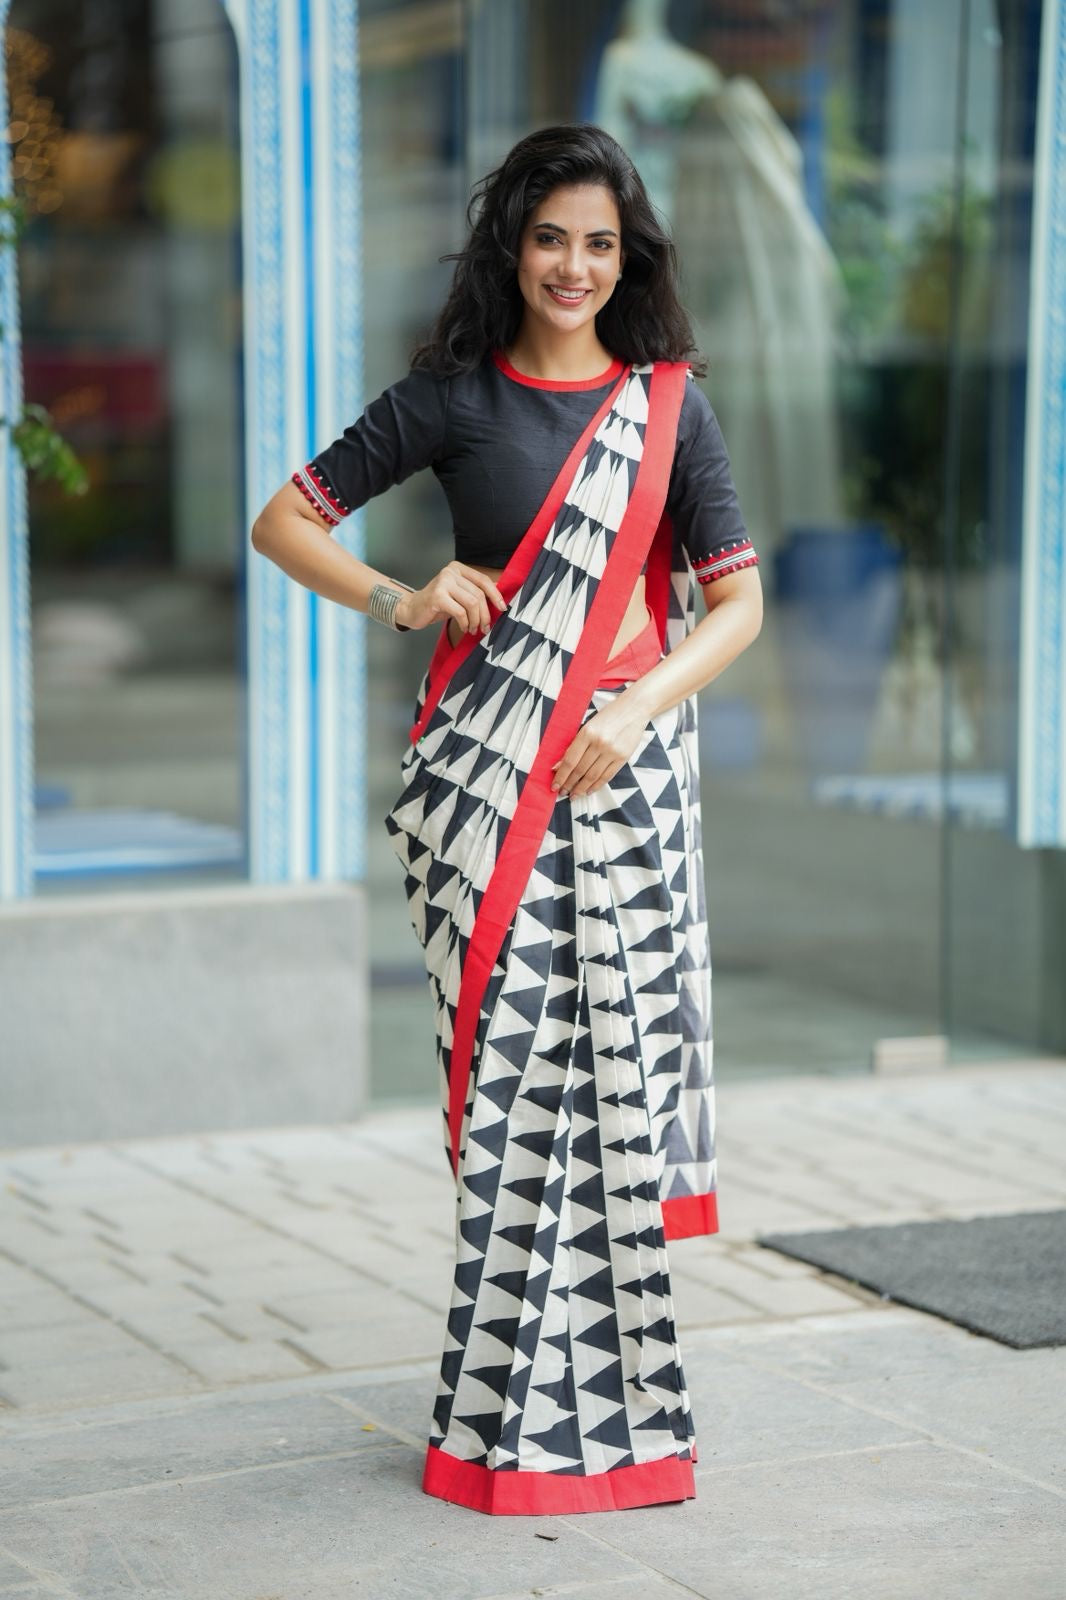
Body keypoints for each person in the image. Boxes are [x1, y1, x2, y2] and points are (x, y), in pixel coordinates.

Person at [251, 122, 763, 1517]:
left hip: (621, 789)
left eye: (601, 243)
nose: (574, 267)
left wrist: (634, 707)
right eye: (551, 238)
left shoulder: (668, 409)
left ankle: (622, 1427)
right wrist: (401, 596)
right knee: (511, 1107)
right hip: (482, 797)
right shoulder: (453, 400)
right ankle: (504, 1432)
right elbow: (284, 520)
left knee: (605, 1106)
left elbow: (736, 605)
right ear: (511, 246)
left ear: (628, 257)